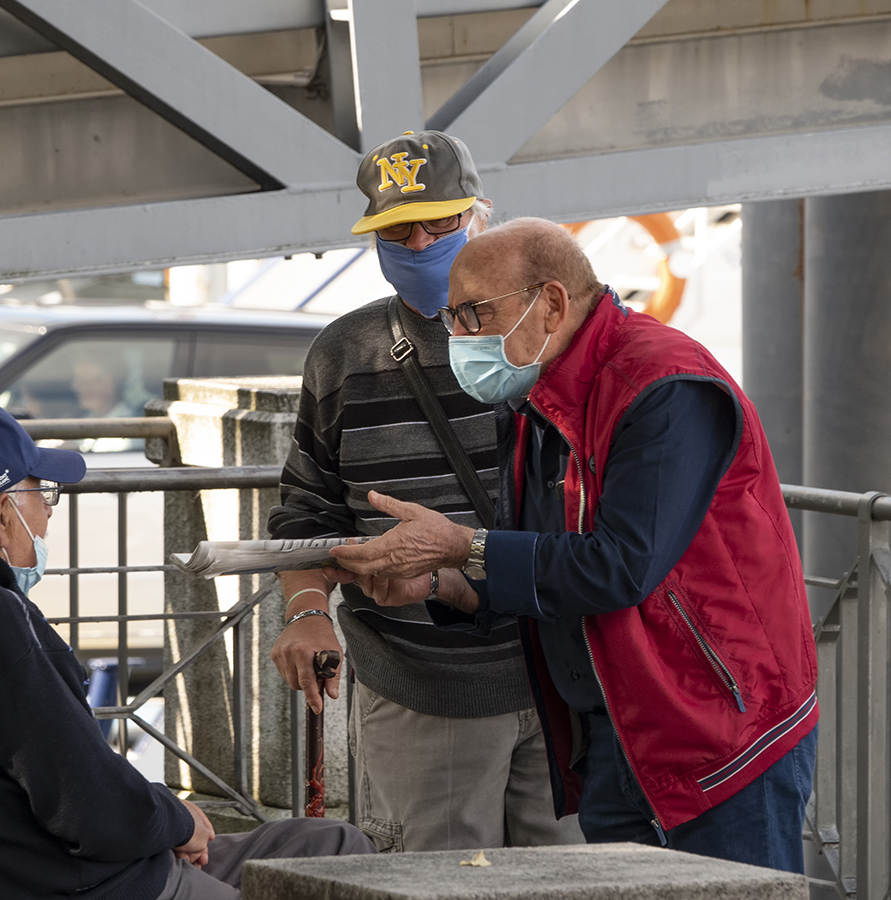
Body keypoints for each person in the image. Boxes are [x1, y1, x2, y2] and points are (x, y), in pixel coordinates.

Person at [328, 217, 819, 873]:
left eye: (473, 315)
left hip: (719, 738)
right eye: (453, 320)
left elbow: (622, 566)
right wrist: (438, 581)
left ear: (551, 302)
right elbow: (548, 565)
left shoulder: (662, 384)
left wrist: (461, 547)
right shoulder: (540, 398)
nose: (461, 340)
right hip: (615, 733)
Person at [0, 401, 372, 900]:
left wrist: (169, 817)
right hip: (86, 884)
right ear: (3, 514)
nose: (50, 511)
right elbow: (93, 814)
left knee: (330, 841)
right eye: (41, 492)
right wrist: (178, 823)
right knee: (341, 867)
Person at [268, 130, 581, 851]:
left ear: (482, 214)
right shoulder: (345, 354)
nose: (418, 244)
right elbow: (305, 507)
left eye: (440, 222)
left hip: (563, 677)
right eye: (396, 228)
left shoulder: (549, 333)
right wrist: (307, 609)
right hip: (419, 694)